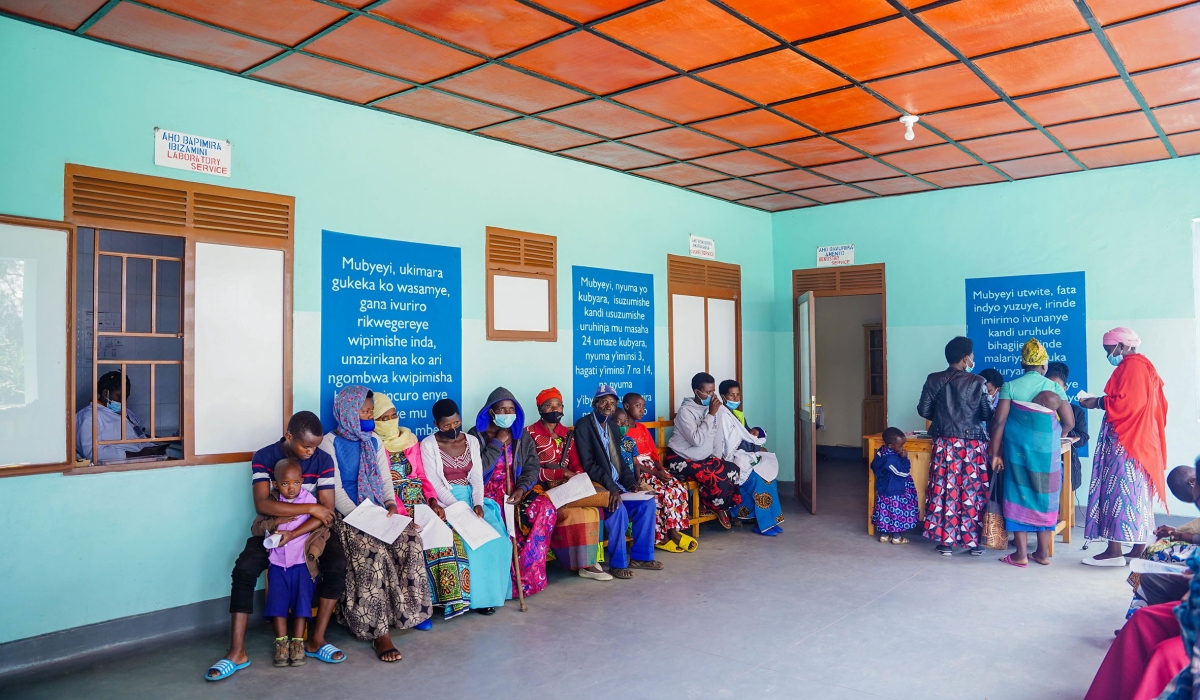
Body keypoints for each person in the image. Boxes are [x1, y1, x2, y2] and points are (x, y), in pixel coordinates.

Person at [206, 411, 346, 682]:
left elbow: (326, 513)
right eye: (306, 446)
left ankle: (316, 640)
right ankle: (237, 652)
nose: (311, 452)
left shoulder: (323, 460)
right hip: (274, 528)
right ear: (289, 436)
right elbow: (263, 504)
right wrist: (309, 508)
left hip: (310, 531)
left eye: (315, 446)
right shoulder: (264, 457)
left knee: (337, 563)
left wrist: (295, 532)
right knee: (244, 569)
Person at [319, 386, 431, 662]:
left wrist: (390, 504)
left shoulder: (374, 441)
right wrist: (361, 517)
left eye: (371, 411)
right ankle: (379, 633)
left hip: (377, 512)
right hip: (348, 517)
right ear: (348, 411)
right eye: (364, 411)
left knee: (411, 540)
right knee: (373, 552)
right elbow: (335, 490)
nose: (369, 416)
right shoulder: (329, 443)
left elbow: (384, 480)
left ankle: (408, 613)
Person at [372, 392, 466, 621]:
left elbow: (423, 477)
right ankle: (422, 605)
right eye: (384, 418)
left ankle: (452, 601)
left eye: (393, 415)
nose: (391, 421)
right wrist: (403, 515)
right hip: (393, 506)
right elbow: (380, 485)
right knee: (415, 540)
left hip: (421, 502)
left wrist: (433, 501)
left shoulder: (410, 440)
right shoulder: (372, 445)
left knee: (449, 535)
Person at [1079, 327, 1169, 567]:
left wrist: (1097, 402)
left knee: (1118, 491)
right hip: (1140, 440)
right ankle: (1138, 549)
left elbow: (1128, 404)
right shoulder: (1144, 365)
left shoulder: (1132, 367)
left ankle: (1114, 552)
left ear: (1122, 346)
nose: (1108, 354)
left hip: (1126, 441)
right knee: (1136, 494)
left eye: (1109, 349)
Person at [421, 398, 513, 613]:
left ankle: (491, 596)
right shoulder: (428, 445)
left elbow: (477, 478)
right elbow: (435, 483)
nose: (453, 429)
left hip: (472, 499)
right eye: (446, 426)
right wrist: (459, 508)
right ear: (436, 424)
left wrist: (478, 504)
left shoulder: (471, 441)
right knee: (471, 545)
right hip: (447, 503)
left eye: (456, 423)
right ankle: (473, 600)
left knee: (498, 540)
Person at [990, 339, 1075, 567]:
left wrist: (995, 453)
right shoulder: (1055, 388)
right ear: (1044, 365)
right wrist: (1052, 437)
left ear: (1022, 363)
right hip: (1047, 454)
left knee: (1018, 493)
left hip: (1017, 451)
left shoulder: (1010, 386)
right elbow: (1069, 422)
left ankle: (1020, 554)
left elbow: (999, 422)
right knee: (1045, 496)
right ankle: (1042, 553)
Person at [468, 387, 556, 598]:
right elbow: (476, 471)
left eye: (511, 409)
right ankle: (506, 584)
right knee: (501, 528)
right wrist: (497, 443)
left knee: (546, 509)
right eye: (502, 409)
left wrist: (521, 488)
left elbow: (532, 466)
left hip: (516, 492)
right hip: (487, 495)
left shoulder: (521, 435)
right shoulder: (475, 436)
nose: (507, 414)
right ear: (491, 411)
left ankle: (527, 575)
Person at [520, 387, 611, 581]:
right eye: (549, 405)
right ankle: (581, 564)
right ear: (540, 409)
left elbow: (576, 464)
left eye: (558, 405)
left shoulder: (568, 434)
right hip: (541, 487)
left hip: (567, 486)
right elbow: (529, 470)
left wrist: (576, 477)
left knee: (593, 509)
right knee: (575, 514)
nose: (555, 409)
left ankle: (591, 560)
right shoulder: (529, 433)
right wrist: (561, 473)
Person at [574, 384, 663, 579]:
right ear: (594, 403)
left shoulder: (613, 427)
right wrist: (613, 489)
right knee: (618, 509)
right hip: (600, 487)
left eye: (612, 403)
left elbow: (620, 462)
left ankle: (641, 557)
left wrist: (631, 483)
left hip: (618, 486)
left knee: (647, 504)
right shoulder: (584, 425)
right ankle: (618, 563)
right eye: (604, 401)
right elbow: (589, 465)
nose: (608, 406)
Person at [917, 336, 994, 555]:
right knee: (972, 491)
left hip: (944, 443)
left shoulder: (933, 379)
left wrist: (942, 418)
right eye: (972, 355)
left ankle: (946, 542)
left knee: (944, 490)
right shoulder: (978, 381)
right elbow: (987, 414)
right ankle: (974, 543)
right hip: (972, 445)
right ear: (965, 358)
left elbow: (923, 410)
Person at [261, 458, 322, 668]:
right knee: (277, 602)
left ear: (302, 481)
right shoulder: (272, 503)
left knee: (301, 602)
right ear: (276, 484)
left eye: (296, 483)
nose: (291, 488)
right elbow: (259, 526)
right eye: (285, 484)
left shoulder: (309, 501)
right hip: (277, 563)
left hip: (301, 563)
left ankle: (297, 643)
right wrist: (274, 522)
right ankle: (281, 643)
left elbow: (321, 522)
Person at [665, 372, 744, 529]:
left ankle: (710, 505)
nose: (712, 396)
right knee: (713, 475)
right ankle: (715, 507)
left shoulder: (715, 409)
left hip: (702, 458)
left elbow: (717, 437)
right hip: (681, 459)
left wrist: (716, 459)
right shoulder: (685, 412)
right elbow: (697, 440)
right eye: (708, 392)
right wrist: (710, 414)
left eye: (713, 391)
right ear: (697, 392)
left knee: (732, 469)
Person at [613, 405, 694, 552]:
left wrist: (661, 470)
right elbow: (633, 464)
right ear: (627, 407)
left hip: (651, 468)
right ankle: (662, 537)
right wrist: (651, 475)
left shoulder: (638, 432)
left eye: (644, 406)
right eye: (638, 406)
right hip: (639, 473)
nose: (642, 409)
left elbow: (653, 455)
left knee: (678, 488)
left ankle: (673, 529)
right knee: (660, 494)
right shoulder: (614, 439)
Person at [713, 380, 784, 536]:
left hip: (744, 455)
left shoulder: (737, 415)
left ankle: (771, 521)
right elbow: (731, 443)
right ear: (723, 396)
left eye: (738, 395)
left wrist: (756, 433)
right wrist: (757, 448)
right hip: (729, 459)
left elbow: (747, 435)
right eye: (732, 395)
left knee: (770, 478)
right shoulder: (721, 415)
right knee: (759, 479)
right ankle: (763, 524)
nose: (736, 398)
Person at [75, 370, 165, 463]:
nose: (123, 401)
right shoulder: (88, 417)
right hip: (114, 468)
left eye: (126, 397)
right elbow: (93, 453)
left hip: (141, 462)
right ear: (105, 393)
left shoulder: (128, 413)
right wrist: (137, 455)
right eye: (120, 396)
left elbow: (139, 439)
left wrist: (152, 448)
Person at [1045, 362, 1090, 492]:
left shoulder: (1076, 412)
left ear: (1064, 388)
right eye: (1049, 386)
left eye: (1057, 387)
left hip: (1067, 465)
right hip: (1043, 463)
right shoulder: (1038, 410)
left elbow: (1083, 438)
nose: (1053, 391)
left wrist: (1066, 433)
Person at [872, 427, 918, 545]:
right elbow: (903, 472)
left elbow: (874, 466)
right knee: (896, 512)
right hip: (894, 490)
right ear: (890, 445)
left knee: (885, 512)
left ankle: (884, 535)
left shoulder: (881, 452)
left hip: (884, 489)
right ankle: (896, 537)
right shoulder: (890, 459)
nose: (902, 448)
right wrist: (905, 458)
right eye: (900, 445)